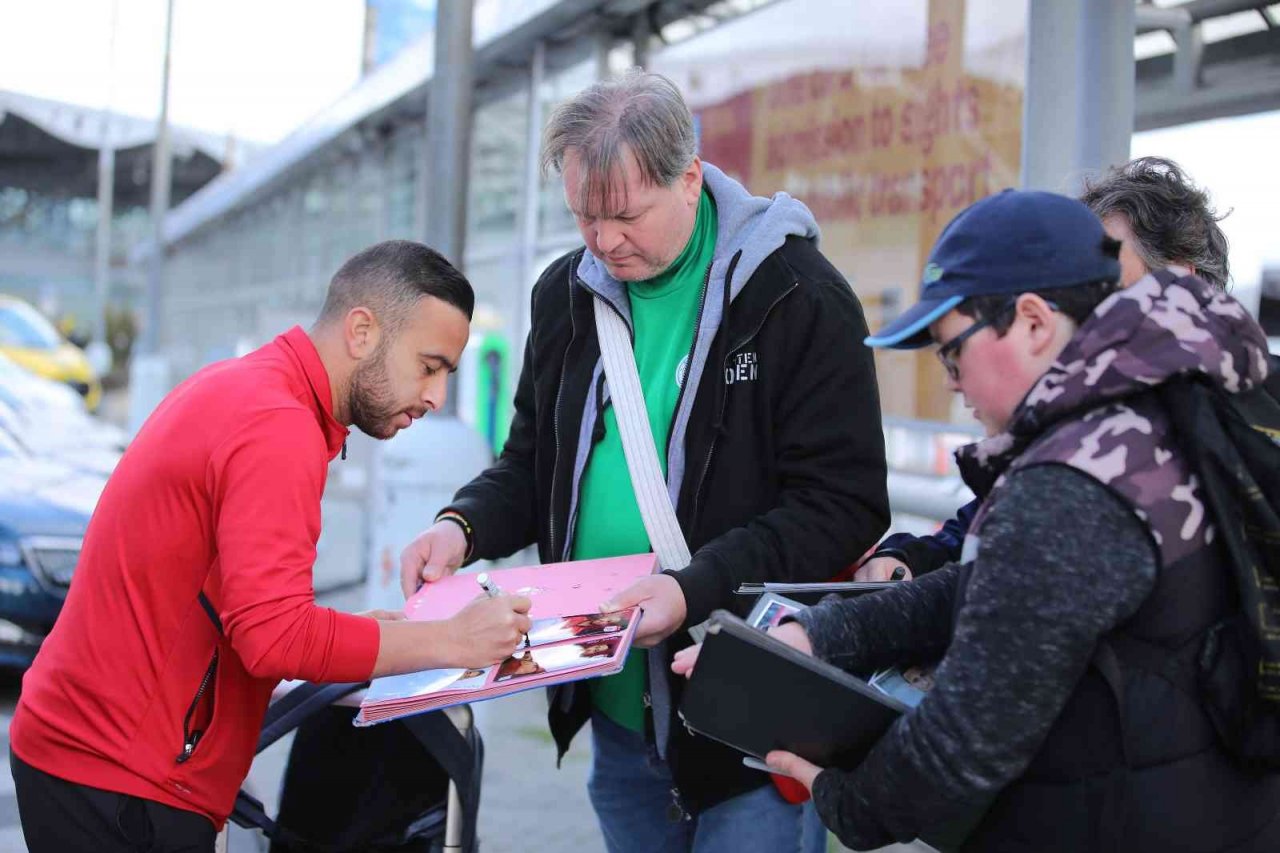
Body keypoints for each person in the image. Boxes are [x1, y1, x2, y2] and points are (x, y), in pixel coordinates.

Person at [399, 70, 888, 852]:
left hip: (749, 725)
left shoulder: (797, 297)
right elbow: (532, 462)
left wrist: (690, 589)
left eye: (625, 215)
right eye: (583, 218)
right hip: (619, 713)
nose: (603, 242)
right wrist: (462, 524)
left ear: (689, 178)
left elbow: (843, 504)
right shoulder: (564, 294)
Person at [748, 190, 1280, 850]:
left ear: (1032, 322)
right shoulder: (1166, 408)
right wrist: (830, 633)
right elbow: (1001, 586)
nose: (951, 382)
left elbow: (966, 737)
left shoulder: (1074, 481)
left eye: (951, 350)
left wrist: (848, 801)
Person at [10, 240, 534, 853]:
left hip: (91, 760)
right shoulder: (278, 427)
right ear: (362, 331)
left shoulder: (254, 391)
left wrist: (366, 634)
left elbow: (234, 607)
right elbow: (273, 637)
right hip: (123, 781)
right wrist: (453, 640)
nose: (437, 397)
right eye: (429, 366)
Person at [856, 155, 1275, 582]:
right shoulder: (1101, 417)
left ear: (1182, 285)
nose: (1083, 314)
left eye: (1107, 287)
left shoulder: (1169, 430)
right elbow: (996, 531)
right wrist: (912, 557)